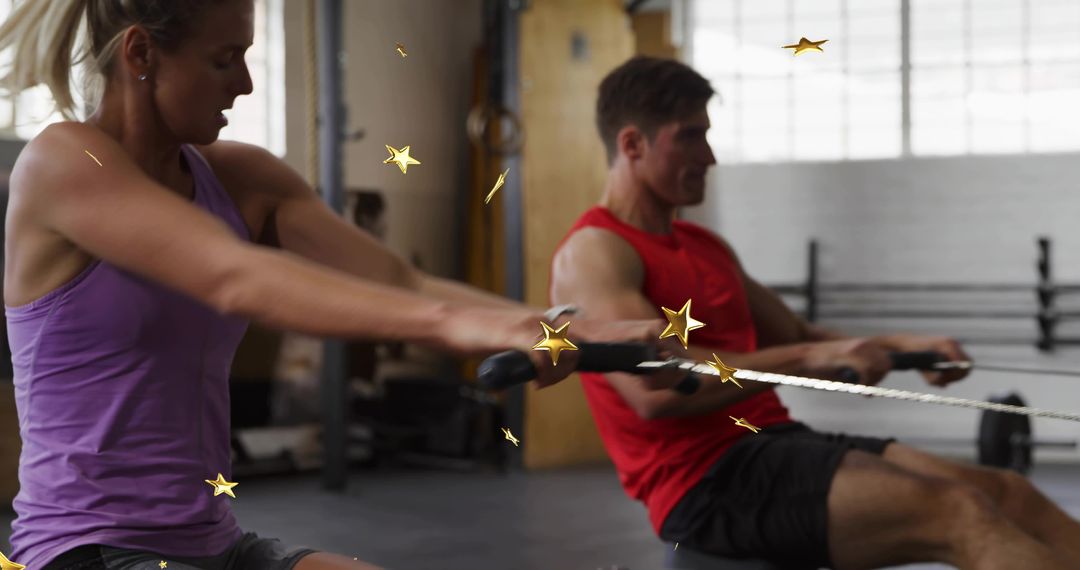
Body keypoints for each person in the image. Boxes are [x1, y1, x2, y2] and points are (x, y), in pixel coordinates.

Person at [0, 2, 685, 569]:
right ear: (141, 54)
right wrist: (459, 328)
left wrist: (564, 325)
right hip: (88, 549)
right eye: (223, 59)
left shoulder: (243, 177)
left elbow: (399, 278)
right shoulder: (64, 163)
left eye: (246, 55)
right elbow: (233, 277)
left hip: (212, 543)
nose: (244, 84)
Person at [549, 55, 1080, 570]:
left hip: (775, 445)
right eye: (690, 135)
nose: (708, 156)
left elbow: (802, 334)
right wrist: (809, 356)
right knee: (960, 514)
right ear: (632, 144)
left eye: (707, 135)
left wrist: (900, 345)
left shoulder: (703, 245)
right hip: (707, 481)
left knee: (1008, 493)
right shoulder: (596, 250)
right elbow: (654, 388)